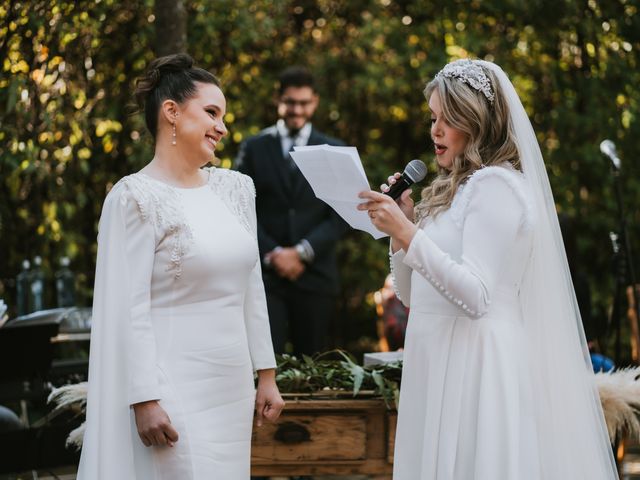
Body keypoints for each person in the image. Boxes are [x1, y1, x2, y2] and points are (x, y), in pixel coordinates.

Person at [358, 59, 617, 479]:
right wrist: (401, 229)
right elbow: (412, 295)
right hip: (435, 354)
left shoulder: (496, 186)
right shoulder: (451, 191)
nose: (435, 130)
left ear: (477, 123)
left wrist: (408, 233)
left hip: (475, 362)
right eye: (433, 118)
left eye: (448, 119)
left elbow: (476, 296)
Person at [77, 53, 284, 479]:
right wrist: (143, 398)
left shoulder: (236, 189)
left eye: (223, 116)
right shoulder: (133, 197)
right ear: (171, 112)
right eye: (211, 112)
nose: (222, 127)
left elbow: (252, 286)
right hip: (171, 384)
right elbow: (127, 309)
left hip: (231, 386)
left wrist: (266, 373)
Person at [235, 66, 348, 356]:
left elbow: (340, 215)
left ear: (315, 102)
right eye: (290, 102)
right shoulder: (253, 148)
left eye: (304, 103)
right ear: (278, 100)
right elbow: (240, 207)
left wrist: (302, 252)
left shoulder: (333, 150)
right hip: (266, 277)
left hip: (315, 275)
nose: (297, 109)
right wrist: (274, 254)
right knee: (264, 361)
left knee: (313, 368)